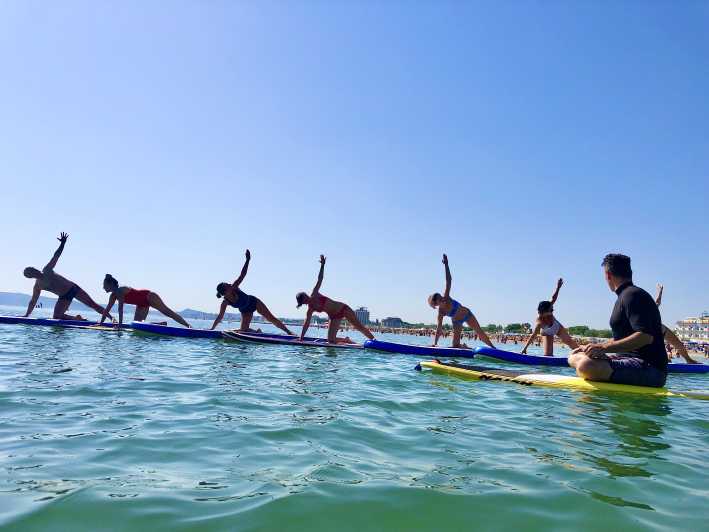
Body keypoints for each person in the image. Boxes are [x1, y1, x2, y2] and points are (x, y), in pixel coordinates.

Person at [569, 254, 668, 387]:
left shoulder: (633, 295)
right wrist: (592, 348)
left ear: (608, 275)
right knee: (575, 355)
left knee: (585, 365)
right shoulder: (625, 296)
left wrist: (603, 348)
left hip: (651, 369)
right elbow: (621, 339)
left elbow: (645, 337)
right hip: (625, 360)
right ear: (630, 273)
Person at [23, 232, 111, 321]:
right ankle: (77, 319)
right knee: (57, 317)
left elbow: (56, 256)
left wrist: (62, 243)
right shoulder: (38, 286)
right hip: (64, 296)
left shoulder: (47, 270)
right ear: (31, 276)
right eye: (31, 272)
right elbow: (33, 301)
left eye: (33, 269)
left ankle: (112, 319)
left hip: (73, 288)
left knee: (92, 304)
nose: (34, 271)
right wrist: (27, 315)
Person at [211, 249, 294, 335]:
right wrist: (211, 329)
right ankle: (258, 332)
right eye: (227, 285)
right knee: (243, 331)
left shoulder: (234, 287)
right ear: (225, 292)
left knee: (270, 318)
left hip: (254, 302)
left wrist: (247, 260)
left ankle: (289, 333)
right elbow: (220, 317)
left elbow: (242, 274)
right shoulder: (225, 303)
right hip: (245, 310)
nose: (229, 284)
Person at [296, 255, 374, 343]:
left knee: (359, 327)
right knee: (331, 340)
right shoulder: (310, 309)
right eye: (304, 301)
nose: (307, 301)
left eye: (306, 298)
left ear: (306, 295)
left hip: (343, 309)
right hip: (334, 317)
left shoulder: (315, 293)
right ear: (303, 303)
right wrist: (301, 338)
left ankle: (375, 341)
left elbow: (320, 279)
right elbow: (306, 324)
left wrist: (322, 265)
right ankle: (346, 340)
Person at [428, 254, 495, 349]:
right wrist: (435, 344)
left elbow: (449, 281)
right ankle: (466, 348)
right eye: (438, 299)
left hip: (467, 315)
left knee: (479, 332)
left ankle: (494, 349)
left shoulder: (446, 297)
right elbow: (439, 329)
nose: (440, 298)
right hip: (456, 321)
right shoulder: (441, 313)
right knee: (455, 346)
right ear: (436, 304)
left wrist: (446, 265)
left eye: (439, 296)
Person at [99, 274, 191, 328]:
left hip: (149, 296)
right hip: (141, 304)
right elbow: (107, 310)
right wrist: (101, 323)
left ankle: (188, 326)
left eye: (104, 285)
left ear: (110, 284)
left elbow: (120, 309)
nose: (103, 288)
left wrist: (120, 325)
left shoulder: (120, 291)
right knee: (137, 326)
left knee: (168, 312)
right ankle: (160, 324)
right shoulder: (112, 296)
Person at [521, 278, 579, 355]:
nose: (552, 311)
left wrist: (558, 287)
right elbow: (533, 335)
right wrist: (525, 349)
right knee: (548, 355)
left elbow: (553, 298)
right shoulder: (539, 322)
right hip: (546, 333)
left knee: (570, 342)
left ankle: (584, 354)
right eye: (550, 311)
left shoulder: (548, 306)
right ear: (543, 312)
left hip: (557, 327)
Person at [654, 284, 698, 364]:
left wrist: (660, 291)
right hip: (650, 329)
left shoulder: (649, 306)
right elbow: (657, 302)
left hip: (658, 327)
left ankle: (689, 360)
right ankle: (685, 360)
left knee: (678, 343)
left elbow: (657, 302)